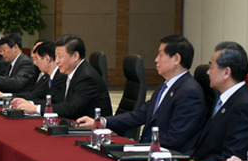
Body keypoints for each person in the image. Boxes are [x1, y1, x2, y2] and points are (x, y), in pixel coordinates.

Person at [76, 35, 206, 151]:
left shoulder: (189, 92)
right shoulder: (166, 87)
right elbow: (138, 115)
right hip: (149, 150)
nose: (156, 59)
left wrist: (136, 149)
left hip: (165, 158)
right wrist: (101, 122)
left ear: (176, 59)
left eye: (160, 55)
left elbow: (175, 139)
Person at [11, 34, 112, 119]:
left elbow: (71, 108)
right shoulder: (72, 72)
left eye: (60, 56)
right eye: (56, 56)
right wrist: (30, 103)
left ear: (75, 56)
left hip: (93, 130)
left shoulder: (86, 77)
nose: (57, 61)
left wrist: (35, 108)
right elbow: (58, 102)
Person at [191, 42, 248, 161]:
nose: (207, 72)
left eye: (211, 67)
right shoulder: (225, 99)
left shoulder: (244, 106)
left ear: (226, 72)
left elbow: (230, 158)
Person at [1, 41, 66, 103]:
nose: (35, 63)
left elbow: (54, 103)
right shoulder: (46, 76)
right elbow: (34, 95)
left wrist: (32, 105)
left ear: (47, 58)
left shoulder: (61, 76)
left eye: (37, 59)